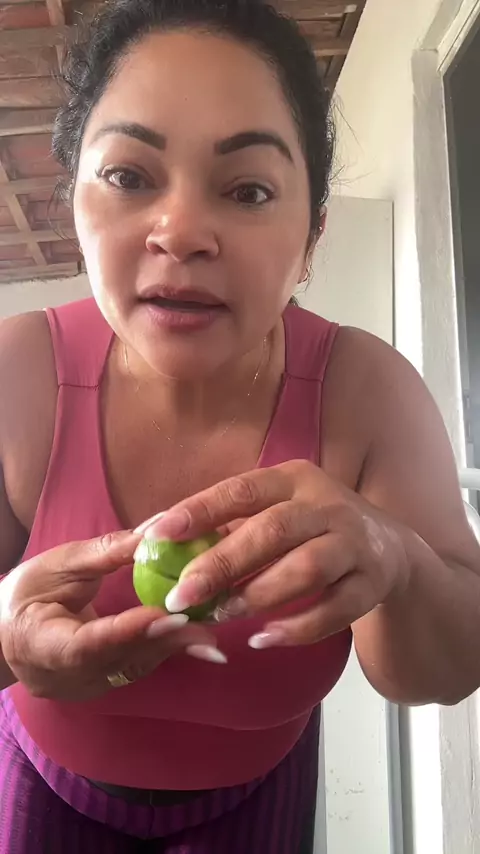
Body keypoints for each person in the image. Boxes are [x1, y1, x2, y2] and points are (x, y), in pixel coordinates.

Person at [0, 0, 479, 851]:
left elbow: (441, 673)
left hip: (258, 802)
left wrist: (397, 559)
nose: (182, 232)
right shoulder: (17, 375)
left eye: (249, 190)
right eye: (129, 176)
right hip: (41, 787)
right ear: (73, 200)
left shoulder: (368, 394)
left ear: (312, 237)